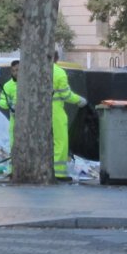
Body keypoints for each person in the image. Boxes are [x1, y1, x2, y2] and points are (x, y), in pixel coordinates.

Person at [52, 51, 87, 182]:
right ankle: (58, 173)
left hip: (37, 111)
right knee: (60, 141)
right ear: (56, 58)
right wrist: (79, 100)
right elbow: (66, 95)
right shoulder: (59, 72)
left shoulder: (35, 71)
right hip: (55, 110)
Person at [0, 59, 20, 149]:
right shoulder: (8, 86)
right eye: (13, 71)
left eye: (18, 70)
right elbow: (1, 101)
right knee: (14, 144)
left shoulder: (30, 84)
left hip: (29, 121)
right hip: (14, 120)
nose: (16, 73)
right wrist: (9, 103)